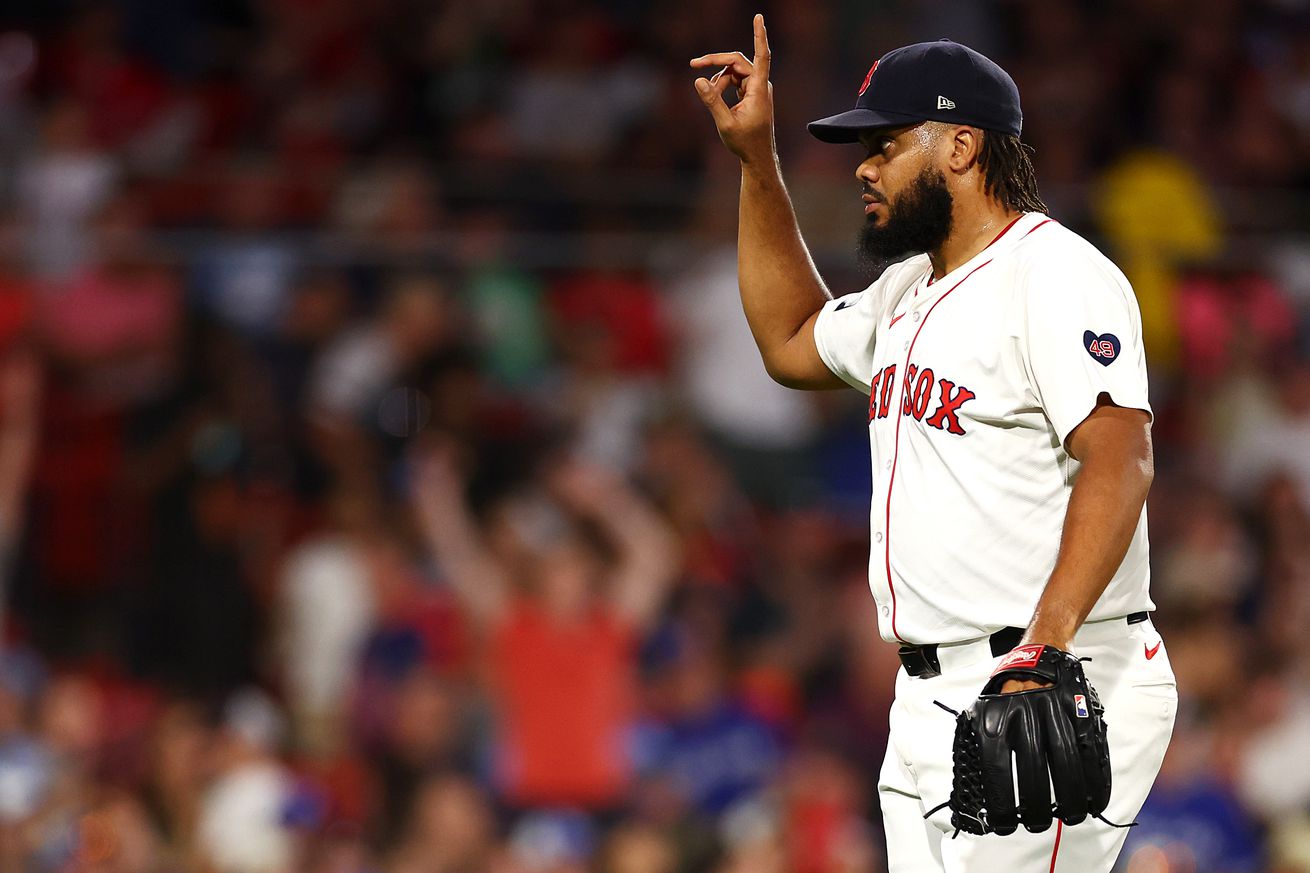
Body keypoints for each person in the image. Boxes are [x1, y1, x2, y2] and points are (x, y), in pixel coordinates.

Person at [691, 18, 1176, 873]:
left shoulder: (1055, 275)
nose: (863, 167)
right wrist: (755, 161)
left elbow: (1120, 456)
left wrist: (1045, 646)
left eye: (883, 144)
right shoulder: (905, 290)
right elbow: (792, 337)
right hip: (927, 696)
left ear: (960, 146)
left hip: (1046, 673)